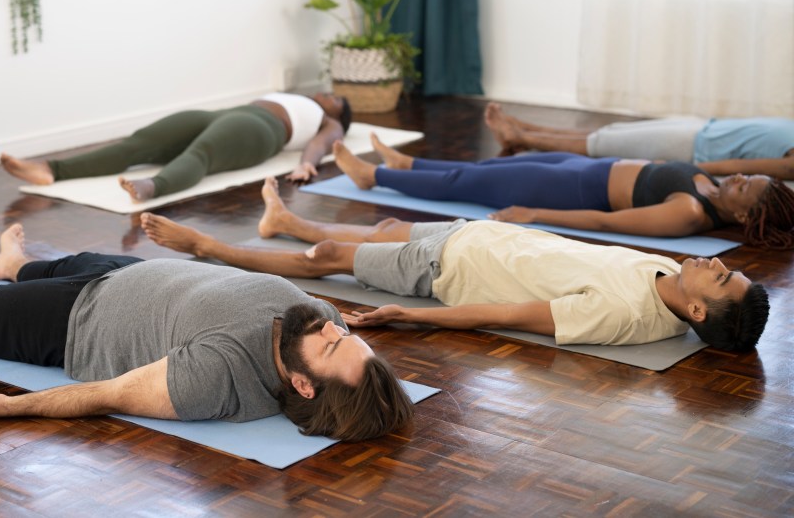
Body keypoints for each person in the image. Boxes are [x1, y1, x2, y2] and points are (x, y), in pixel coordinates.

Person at [0, 224, 413, 442]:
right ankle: (11, 264)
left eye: (332, 344)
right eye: (342, 332)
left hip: (76, 321)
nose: (331, 326)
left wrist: (11, 408)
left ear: (301, 383)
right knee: (58, 261)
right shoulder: (311, 323)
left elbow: (106, 394)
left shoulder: (216, 379)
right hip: (129, 274)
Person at [139, 178, 771, 351]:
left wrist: (415, 318)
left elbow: (511, 315)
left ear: (698, 309)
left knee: (330, 260)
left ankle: (211, 248)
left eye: (719, 276)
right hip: (474, 236)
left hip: (447, 270)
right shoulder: (668, 276)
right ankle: (289, 221)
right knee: (384, 225)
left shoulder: (620, 316)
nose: (711, 263)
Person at [328, 134, 794, 250]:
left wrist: (534, 213)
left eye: (745, 188)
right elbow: (733, 164)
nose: (738, 179)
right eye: (746, 177)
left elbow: (607, 222)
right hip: (586, 167)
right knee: (489, 166)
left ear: (743, 218)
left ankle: (375, 177)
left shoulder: (690, 213)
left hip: (571, 189)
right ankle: (408, 163)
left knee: (469, 184)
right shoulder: (710, 183)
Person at [1, 92, 353, 202]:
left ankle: (153, 186)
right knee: (140, 143)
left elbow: (321, 145)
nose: (327, 96)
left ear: (339, 114)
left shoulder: (329, 122)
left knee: (200, 154)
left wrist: (308, 164)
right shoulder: (296, 93)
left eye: (336, 100)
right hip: (223, 113)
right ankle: (52, 170)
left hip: (259, 130)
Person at [485, 102, 794, 180]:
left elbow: (737, 165)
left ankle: (520, 135)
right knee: (608, 134)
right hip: (702, 128)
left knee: (600, 144)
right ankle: (522, 130)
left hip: (690, 146)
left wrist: (681, 168)